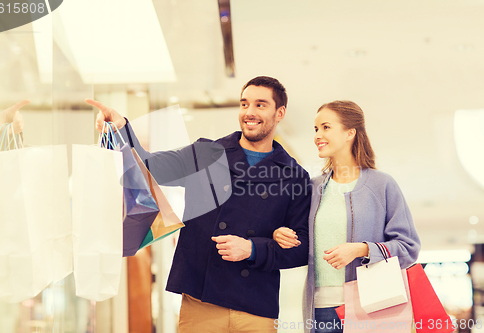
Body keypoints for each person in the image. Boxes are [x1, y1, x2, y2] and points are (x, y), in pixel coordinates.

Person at [86, 76, 311, 333]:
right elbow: (149, 168)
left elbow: (302, 248)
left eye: (260, 105)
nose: (249, 112)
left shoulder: (294, 175)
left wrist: (252, 249)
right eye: (244, 103)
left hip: (256, 306)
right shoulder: (207, 153)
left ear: (279, 112)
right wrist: (122, 128)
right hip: (201, 302)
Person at [273, 100, 421, 333]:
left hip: (372, 305)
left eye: (326, 127)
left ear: (350, 132)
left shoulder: (382, 185)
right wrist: (280, 233)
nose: (317, 135)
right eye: (315, 129)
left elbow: (409, 247)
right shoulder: (312, 188)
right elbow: (299, 239)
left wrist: (362, 249)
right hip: (320, 308)